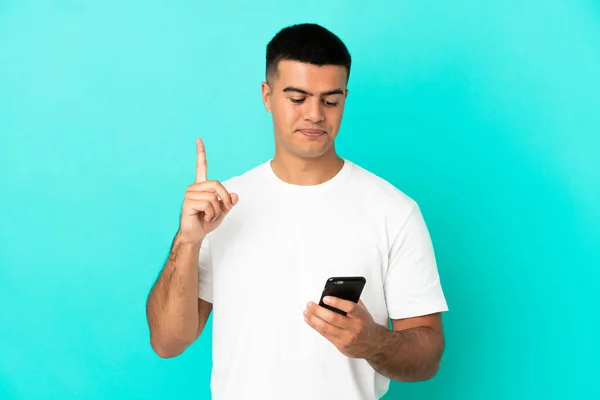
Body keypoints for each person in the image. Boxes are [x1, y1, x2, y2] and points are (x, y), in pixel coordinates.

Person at [146, 23, 448, 400]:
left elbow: (428, 356)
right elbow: (168, 342)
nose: (315, 114)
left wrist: (373, 342)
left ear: (344, 99)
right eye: (297, 97)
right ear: (267, 96)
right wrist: (187, 241)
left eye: (330, 100)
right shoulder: (222, 206)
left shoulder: (394, 211)